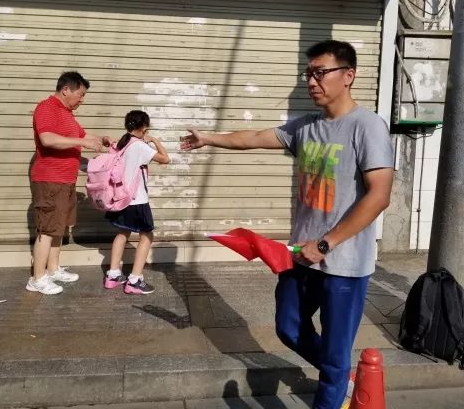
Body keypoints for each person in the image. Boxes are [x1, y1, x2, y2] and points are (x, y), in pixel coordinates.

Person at [180, 40, 393, 409]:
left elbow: (379, 195)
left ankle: (334, 384)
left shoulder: (367, 126)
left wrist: (326, 243)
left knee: (336, 350)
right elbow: (254, 138)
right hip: (301, 255)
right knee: (289, 327)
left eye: (320, 73)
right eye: (308, 73)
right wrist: (209, 138)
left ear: (348, 76)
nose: (311, 81)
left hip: (343, 263)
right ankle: (339, 377)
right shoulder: (306, 126)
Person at [27, 71, 112, 295]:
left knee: (59, 227)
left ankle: (53, 269)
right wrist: (83, 142)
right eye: (81, 94)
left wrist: (102, 139)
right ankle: (37, 278)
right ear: (66, 90)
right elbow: (47, 139)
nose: (82, 100)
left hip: (66, 180)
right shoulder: (47, 108)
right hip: (50, 179)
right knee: (47, 229)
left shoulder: (66, 114)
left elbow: (83, 136)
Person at [104, 110, 170, 295]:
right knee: (147, 236)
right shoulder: (140, 146)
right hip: (137, 199)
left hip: (121, 198)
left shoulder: (121, 143)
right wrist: (154, 140)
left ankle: (113, 275)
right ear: (144, 127)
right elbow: (165, 159)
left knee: (122, 232)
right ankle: (134, 280)